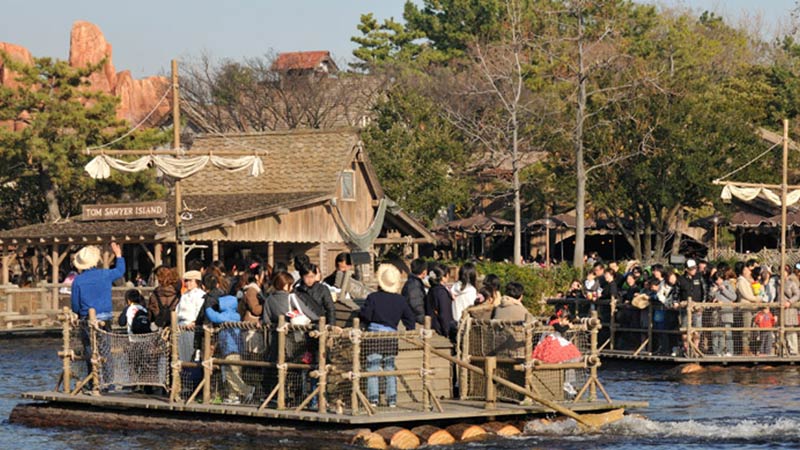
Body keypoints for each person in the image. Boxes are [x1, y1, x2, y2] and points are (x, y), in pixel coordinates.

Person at [359, 264, 416, 407]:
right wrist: (410, 329)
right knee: (389, 368)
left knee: (373, 367)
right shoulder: (400, 300)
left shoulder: (373, 297)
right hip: (391, 335)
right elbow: (410, 318)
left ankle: (373, 400)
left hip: (374, 335)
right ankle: (392, 400)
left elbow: (365, 315)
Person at [70, 242, 125, 389]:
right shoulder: (104, 274)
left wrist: (77, 314)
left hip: (87, 319)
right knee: (106, 350)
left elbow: (75, 304)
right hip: (105, 317)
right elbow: (120, 270)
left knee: (89, 349)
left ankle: (92, 381)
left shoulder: (78, 281)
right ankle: (109, 383)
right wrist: (118, 255)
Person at [205, 292, 254, 404]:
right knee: (232, 373)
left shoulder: (228, 316)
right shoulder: (235, 315)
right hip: (231, 349)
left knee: (230, 373)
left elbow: (214, 317)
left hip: (232, 349)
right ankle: (233, 396)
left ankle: (247, 390)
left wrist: (208, 307)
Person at [175, 270, 206, 362]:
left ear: (197, 281)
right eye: (186, 281)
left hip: (192, 328)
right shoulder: (184, 295)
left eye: (190, 281)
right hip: (181, 328)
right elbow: (177, 311)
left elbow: (200, 312)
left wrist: (194, 323)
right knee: (181, 354)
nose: (187, 283)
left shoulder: (201, 295)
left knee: (192, 353)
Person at [735, 261, 760, 356]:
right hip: (745, 307)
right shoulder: (740, 281)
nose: (748, 271)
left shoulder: (747, 280)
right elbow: (746, 295)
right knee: (746, 329)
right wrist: (757, 299)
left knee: (750, 329)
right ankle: (745, 349)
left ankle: (749, 348)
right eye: (746, 269)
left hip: (751, 307)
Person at [425, 264, 456, 339]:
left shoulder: (432, 289)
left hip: (433, 325)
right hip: (440, 328)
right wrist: (448, 331)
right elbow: (444, 313)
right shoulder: (441, 292)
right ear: (445, 276)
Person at [710, 270, 736, 356]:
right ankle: (717, 351)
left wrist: (724, 290)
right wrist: (713, 293)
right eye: (716, 279)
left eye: (719, 279)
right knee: (717, 332)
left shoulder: (728, 285)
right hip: (716, 313)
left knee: (728, 332)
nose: (718, 281)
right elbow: (710, 296)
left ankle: (729, 351)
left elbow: (734, 297)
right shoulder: (713, 286)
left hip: (727, 312)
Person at [401, 258, 428, 324]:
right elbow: (416, 304)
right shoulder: (414, 284)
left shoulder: (414, 282)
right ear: (424, 272)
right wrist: (424, 319)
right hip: (414, 320)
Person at [784, 264, 800, 355]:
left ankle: (793, 350)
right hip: (779, 309)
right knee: (780, 330)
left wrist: (790, 301)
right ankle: (783, 350)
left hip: (789, 309)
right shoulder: (777, 282)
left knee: (790, 330)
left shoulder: (791, 282)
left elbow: (797, 294)